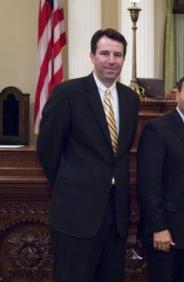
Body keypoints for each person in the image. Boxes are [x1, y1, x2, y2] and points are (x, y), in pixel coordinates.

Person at [37, 28, 140, 282]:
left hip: (115, 216)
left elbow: (121, 154)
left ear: (123, 60)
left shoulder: (130, 99)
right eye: (104, 53)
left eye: (117, 54)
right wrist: (70, 186)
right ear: (92, 56)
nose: (111, 60)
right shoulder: (67, 93)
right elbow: (48, 150)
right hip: (76, 213)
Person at [136, 72, 184, 282]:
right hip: (166, 234)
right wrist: (158, 228)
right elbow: (148, 184)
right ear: (177, 95)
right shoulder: (157, 130)